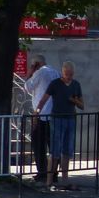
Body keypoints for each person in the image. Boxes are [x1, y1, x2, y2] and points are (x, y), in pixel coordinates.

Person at [36, 60, 83, 190]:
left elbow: (82, 105)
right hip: (57, 119)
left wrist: (74, 100)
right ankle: (49, 181)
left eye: (71, 74)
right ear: (62, 72)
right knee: (54, 150)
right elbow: (44, 99)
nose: (69, 77)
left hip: (70, 119)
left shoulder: (76, 85)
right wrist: (37, 111)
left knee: (67, 150)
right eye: (67, 74)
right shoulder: (55, 84)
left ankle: (65, 180)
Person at [23, 55, 60, 183]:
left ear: (36, 64)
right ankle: (53, 173)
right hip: (54, 114)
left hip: (41, 114)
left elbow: (27, 87)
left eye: (33, 65)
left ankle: (42, 172)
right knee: (53, 145)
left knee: (39, 145)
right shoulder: (55, 72)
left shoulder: (39, 73)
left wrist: (29, 73)